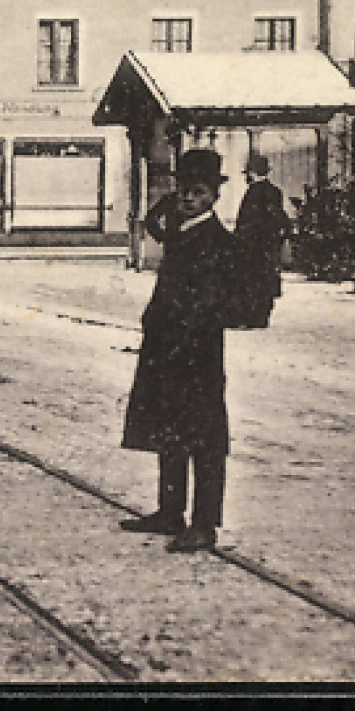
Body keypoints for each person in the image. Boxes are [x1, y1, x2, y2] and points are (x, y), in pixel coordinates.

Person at [118, 149, 240, 553]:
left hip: (197, 355)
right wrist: (168, 201)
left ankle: (204, 524)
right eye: (184, 191)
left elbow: (211, 303)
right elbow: (154, 223)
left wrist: (185, 338)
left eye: (198, 192)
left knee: (204, 440)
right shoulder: (181, 231)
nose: (188, 199)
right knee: (169, 432)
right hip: (167, 350)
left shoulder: (217, 241)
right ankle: (170, 512)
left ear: (214, 197)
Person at [234, 153, 291, 328]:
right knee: (265, 281)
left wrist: (241, 239)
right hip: (268, 245)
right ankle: (260, 317)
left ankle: (252, 318)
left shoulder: (254, 192)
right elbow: (280, 218)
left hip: (253, 245)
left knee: (252, 281)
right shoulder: (274, 191)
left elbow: (249, 221)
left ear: (252, 173)